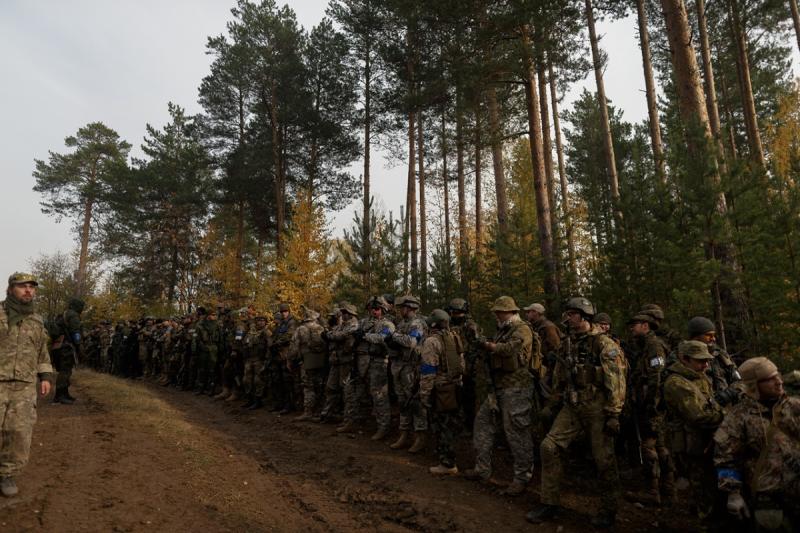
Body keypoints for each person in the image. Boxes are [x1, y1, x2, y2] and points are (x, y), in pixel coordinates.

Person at [527, 297, 626, 528]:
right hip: (572, 407)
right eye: (568, 314)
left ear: (584, 316)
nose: (568, 317)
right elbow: (560, 376)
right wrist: (552, 403)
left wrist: (614, 413)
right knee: (548, 447)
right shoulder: (568, 342)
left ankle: (609, 510)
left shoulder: (604, 344)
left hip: (597, 409)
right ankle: (549, 502)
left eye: (572, 314)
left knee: (604, 461)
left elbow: (617, 381)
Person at [464, 296, 534, 497]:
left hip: (517, 389)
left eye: (499, 312)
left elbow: (510, 349)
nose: (496, 315)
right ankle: (482, 469)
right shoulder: (502, 330)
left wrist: (487, 345)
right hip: (498, 389)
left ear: (510, 312)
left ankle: (522, 478)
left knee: (517, 433)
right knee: (482, 423)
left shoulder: (522, 329)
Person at [714, 356, 793, 529]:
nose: (779, 381)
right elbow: (726, 458)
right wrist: (733, 494)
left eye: (777, 375)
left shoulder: (793, 407)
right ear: (753, 386)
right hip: (768, 499)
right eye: (770, 379)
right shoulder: (738, 417)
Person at [0, 273, 54, 497]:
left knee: (19, 432)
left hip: (24, 385)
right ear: (11, 288)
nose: (28, 290)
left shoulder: (36, 320)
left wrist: (46, 377)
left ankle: (7, 474)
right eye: (23, 286)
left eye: (32, 287)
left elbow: (42, 351)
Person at [663, 340, 724, 520]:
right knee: (704, 492)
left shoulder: (698, 376)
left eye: (706, 361)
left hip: (706, 441)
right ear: (684, 359)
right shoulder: (676, 383)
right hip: (692, 445)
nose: (705, 365)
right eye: (700, 361)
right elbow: (698, 416)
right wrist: (728, 416)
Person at [627, 313, 674, 506]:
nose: (632, 328)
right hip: (649, 402)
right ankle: (668, 492)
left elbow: (657, 376)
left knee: (649, 446)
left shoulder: (654, 346)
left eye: (635, 325)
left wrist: (652, 404)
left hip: (652, 404)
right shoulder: (645, 346)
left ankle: (653, 492)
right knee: (661, 446)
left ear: (645, 325)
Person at [420, 309, 464, 476]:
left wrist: (424, 395)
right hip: (455, 387)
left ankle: (447, 463)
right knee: (451, 424)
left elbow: (428, 371)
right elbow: (462, 364)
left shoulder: (431, 341)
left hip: (440, 390)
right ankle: (447, 457)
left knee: (441, 425)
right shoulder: (454, 337)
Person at [388, 295, 428, 453]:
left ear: (410, 307)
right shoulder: (402, 323)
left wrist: (395, 337)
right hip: (399, 365)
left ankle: (420, 436)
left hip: (412, 368)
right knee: (402, 401)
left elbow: (411, 343)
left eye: (402, 307)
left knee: (415, 401)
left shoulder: (417, 323)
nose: (399, 310)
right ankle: (404, 434)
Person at [687, 316, 741, 405]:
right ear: (695, 337)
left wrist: (729, 393)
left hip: (728, 410)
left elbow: (740, 381)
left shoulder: (720, 355)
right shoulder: (683, 357)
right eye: (709, 335)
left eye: (714, 335)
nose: (713, 339)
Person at [291, 308, 328, 421]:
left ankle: (308, 412)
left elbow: (294, 347)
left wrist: (291, 359)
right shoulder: (321, 328)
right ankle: (320, 411)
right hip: (321, 361)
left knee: (308, 386)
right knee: (320, 386)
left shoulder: (300, 329)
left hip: (306, 361)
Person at [51, 297, 84, 403]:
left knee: (65, 371)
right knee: (65, 371)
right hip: (66, 346)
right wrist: (78, 346)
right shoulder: (73, 315)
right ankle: (59, 396)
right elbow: (76, 332)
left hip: (58, 346)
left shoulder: (64, 313)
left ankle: (64, 394)